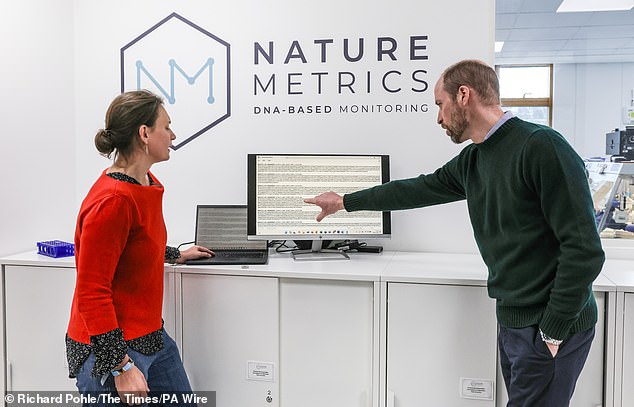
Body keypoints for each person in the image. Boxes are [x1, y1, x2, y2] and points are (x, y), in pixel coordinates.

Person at [305, 60, 605, 407]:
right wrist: (344, 201)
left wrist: (552, 330)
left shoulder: (541, 147)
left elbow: (584, 250)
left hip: (550, 324)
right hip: (513, 319)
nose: (438, 118)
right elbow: (416, 190)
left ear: (464, 95)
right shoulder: (474, 160)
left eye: (439, 104)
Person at [66, 90, 213, 405]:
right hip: (110, 352)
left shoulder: (145, 181)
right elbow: (92, 292)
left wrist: (175, 254)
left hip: (149, 336)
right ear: (145, 134)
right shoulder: (113, 200)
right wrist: (121, 368)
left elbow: (138, 242)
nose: (172, 135)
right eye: (167, 127)